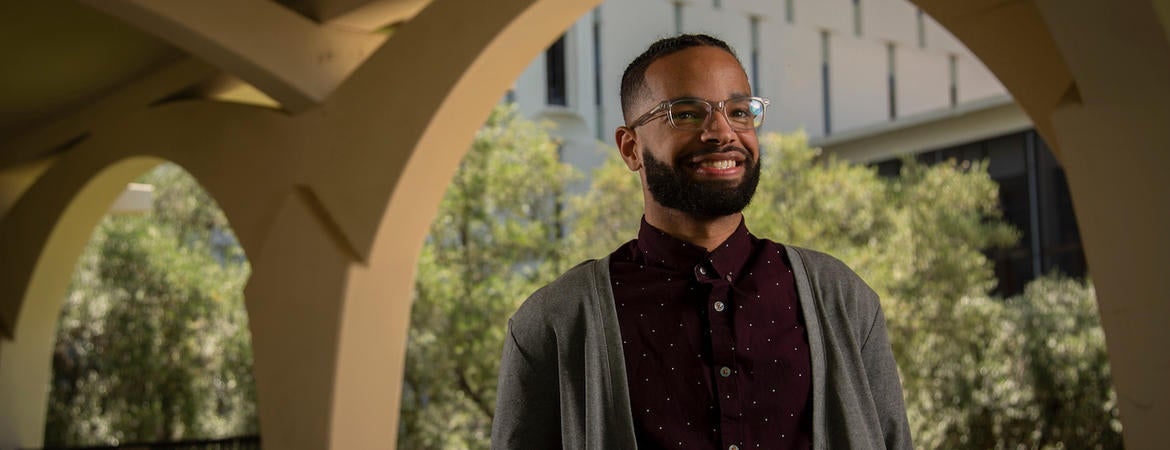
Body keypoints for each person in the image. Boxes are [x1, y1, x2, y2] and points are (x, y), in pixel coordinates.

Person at [491, 34, 912, 450]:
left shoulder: (844, 300)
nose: (722, 132)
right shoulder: (554, 325)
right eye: (687, 113)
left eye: (740, 111)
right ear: (631, 148)